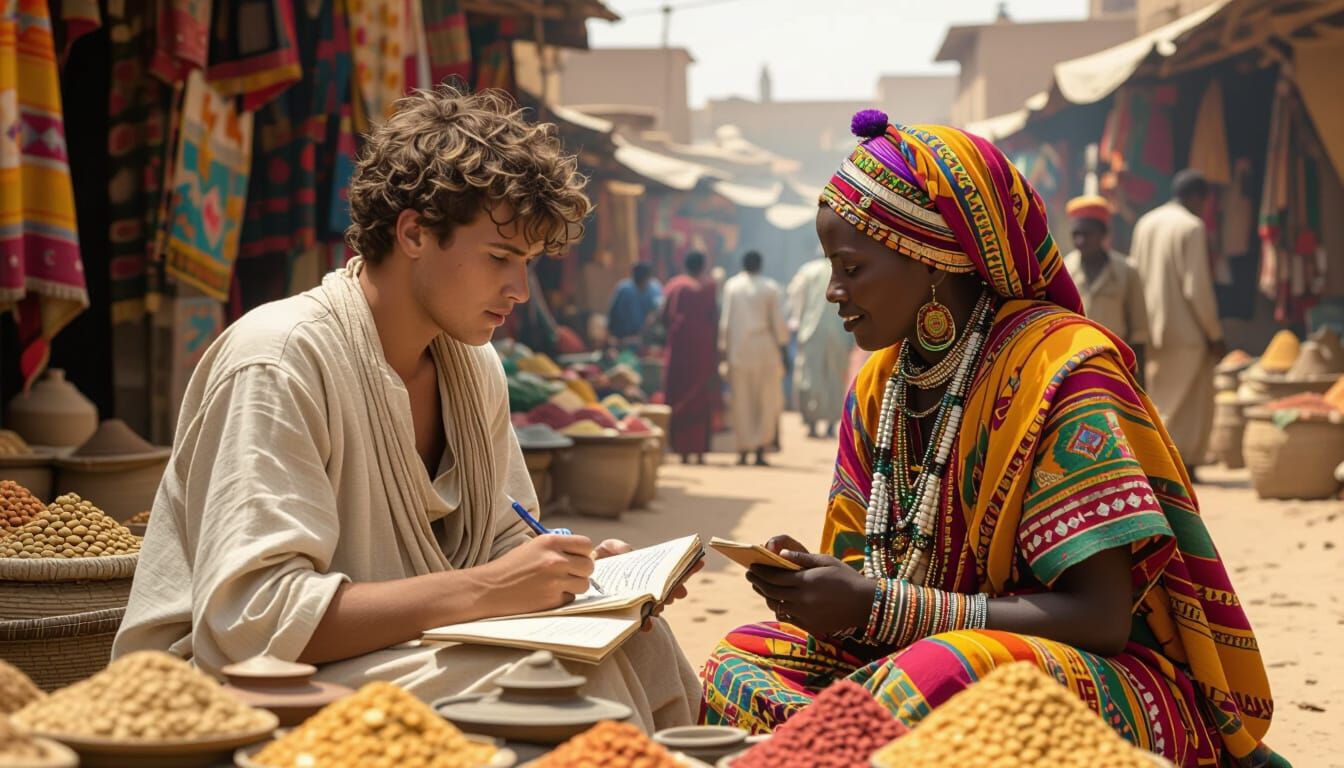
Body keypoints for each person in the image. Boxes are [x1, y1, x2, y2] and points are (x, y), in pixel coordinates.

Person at [700, 113, 1281, 768]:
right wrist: (824, 587)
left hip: (1088, 677)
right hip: (916, 656)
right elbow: (882, 578)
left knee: (935, 675)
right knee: (738, 661)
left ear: (933, 259)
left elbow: (1100, 618)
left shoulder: (1058, 373)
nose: (834, 291)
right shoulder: (879, 387)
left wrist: (884, 606)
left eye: (852, 267)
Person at [114, 86, 701, 731]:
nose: (520, 290)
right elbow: (255, 623)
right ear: (415, 232)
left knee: (643, 648)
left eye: (528, 264)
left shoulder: (473, 367)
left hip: (393, 655)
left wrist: (577, 575)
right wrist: (492, 588)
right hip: (244, 692)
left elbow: (503, 538)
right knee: (570, 685)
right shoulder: (279, 361)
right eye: (500, 258)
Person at [1131, 170, 1226, 480]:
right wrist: (1214, 333)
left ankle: (1162, 464)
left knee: (1162, 399)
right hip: (1186, 331)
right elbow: (1196, 287)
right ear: (1198, 197)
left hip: (1152, 327)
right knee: (1188, 404)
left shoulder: (1146, 223)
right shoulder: (1192, 227)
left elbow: (1135, 275)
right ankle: (1173, 466)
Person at [1063, 195, 1150, 385]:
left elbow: (1139, 332)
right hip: (1075, 367)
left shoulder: (1127, 271)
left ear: (1103, 233)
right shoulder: (1064, 271)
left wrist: (1139, 383)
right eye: (1076, 234)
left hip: (1116, 366)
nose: (1080, 241)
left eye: (1087, 234)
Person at [720, 250, 789, 467]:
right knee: (765, 400)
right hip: (765, 349)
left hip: (739, 350)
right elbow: (778, 323)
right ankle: (760, 449)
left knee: (741, 399)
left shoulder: (732, 286)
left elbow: (725, 322)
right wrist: (783, 349)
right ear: (760, 265)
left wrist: (723, 350)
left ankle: (743, 448)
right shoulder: (770, 287)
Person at [662, 251, 719, 464]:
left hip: (679, 350)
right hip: (703, 351)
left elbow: (664, 317)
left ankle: (682, 450)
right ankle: (700, 451)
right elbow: (714, 318)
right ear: (703, 266)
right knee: (701, 398)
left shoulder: (674, 286)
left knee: (679, 394)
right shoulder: (709, 287)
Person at [788, 249, 852, 438]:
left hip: (811, 331)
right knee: (835, 376)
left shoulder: (807, 271)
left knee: (811, 375)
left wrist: (797, 320)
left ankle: (812, 422)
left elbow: (795, 296)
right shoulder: (846, 272)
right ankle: (831, 423)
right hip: (840, 332)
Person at [607, 262, 662, 347]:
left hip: (647, 337)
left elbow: (659, 310)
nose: (642, 285)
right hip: (624, 337)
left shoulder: (655, 289)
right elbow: (613, 315)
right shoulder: (624, 290)